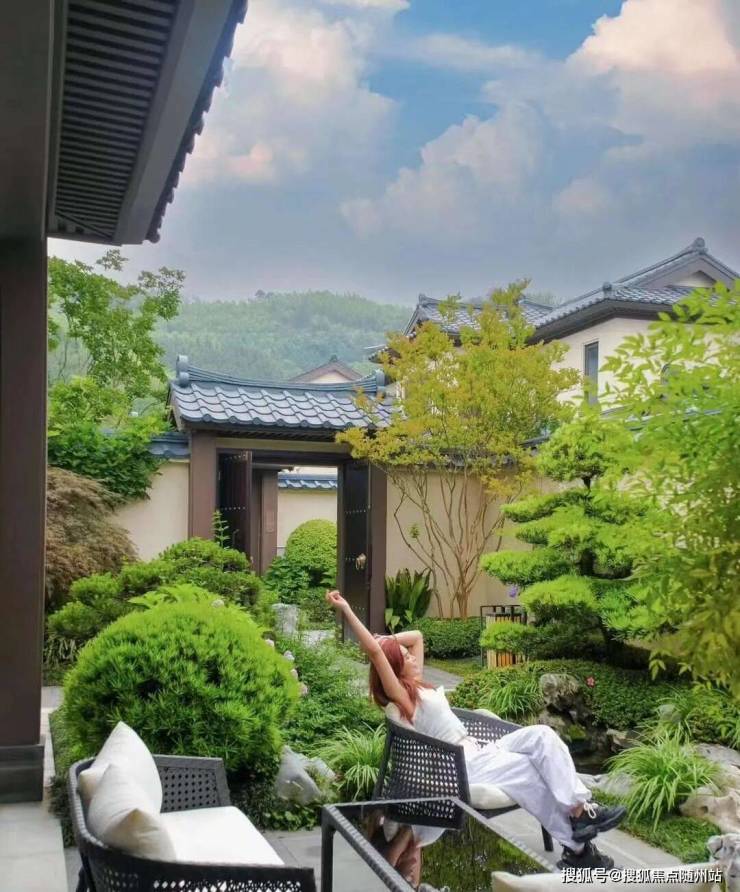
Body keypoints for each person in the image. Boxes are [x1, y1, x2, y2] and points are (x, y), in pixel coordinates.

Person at [326, 590, 626, 870]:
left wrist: (388, 639)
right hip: (465, 765)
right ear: (394, 669)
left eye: (407, 654)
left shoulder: (418, 684)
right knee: (530, 773)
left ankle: (580, 811)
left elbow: (417, 636)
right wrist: (349, 611)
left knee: (543, 736)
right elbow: (375, 654)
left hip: (479, 750)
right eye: (404, 657)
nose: (411, 656)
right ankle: (578, 849)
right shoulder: (404, 698)